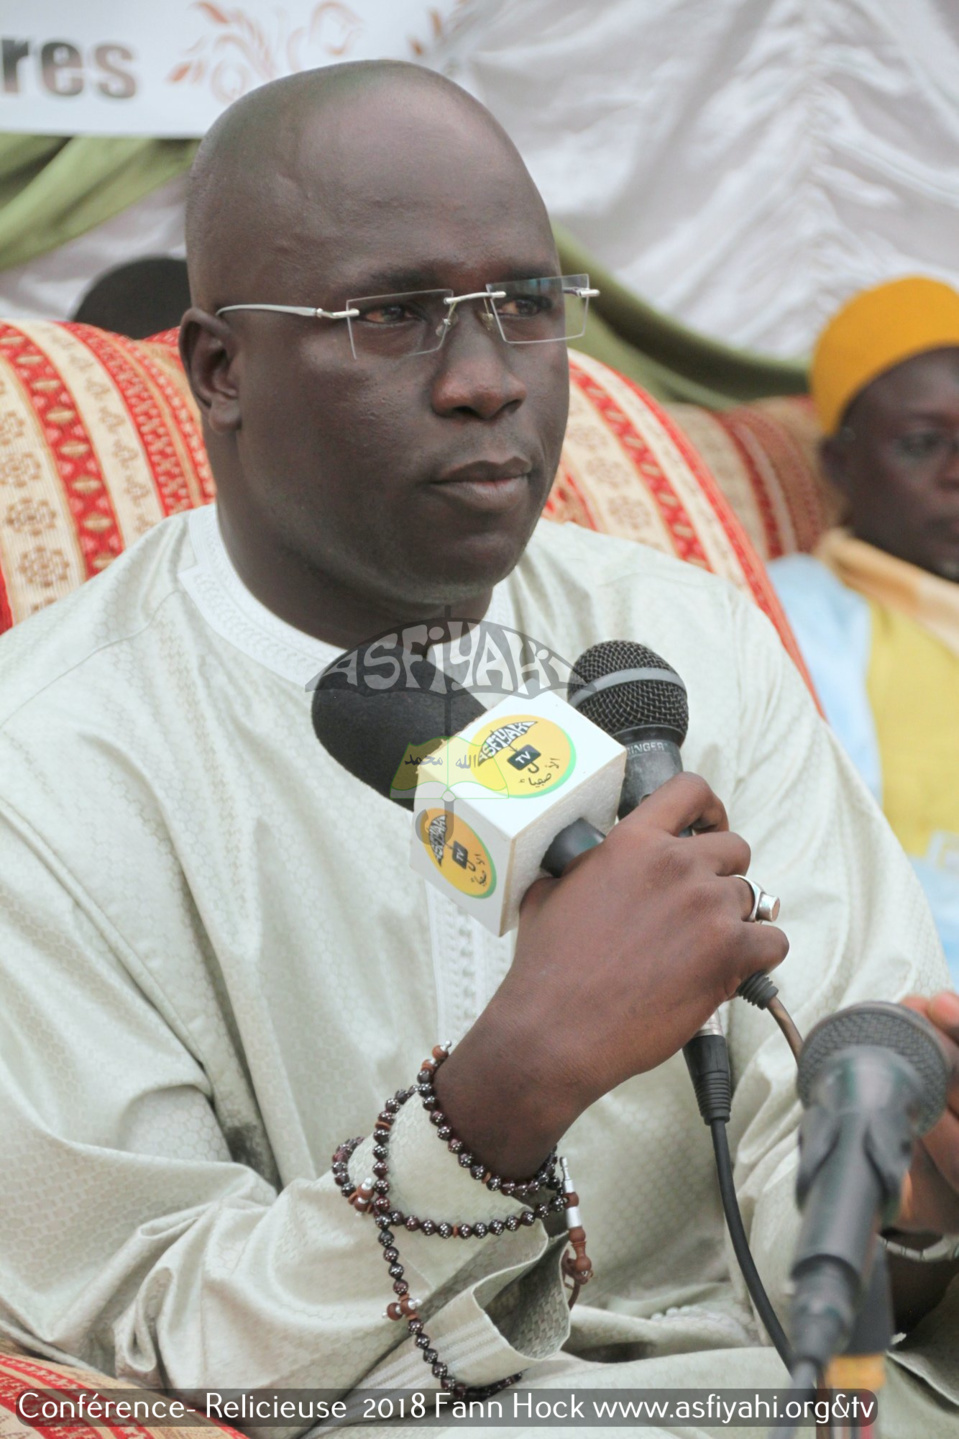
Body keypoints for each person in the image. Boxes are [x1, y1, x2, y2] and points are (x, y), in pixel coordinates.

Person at [0, 63, 958, 1438]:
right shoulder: (43, 766)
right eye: (389, 315)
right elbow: (160, 1326)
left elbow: (828, 1113)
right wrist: (492, 1103)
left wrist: (900, 1202)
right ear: (219, 368)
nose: (481, 381)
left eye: (521, 304)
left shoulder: (679, 637)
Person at [771, 277, 959, 981]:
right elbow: (835, 870)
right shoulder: (803, 614)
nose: (956, 472)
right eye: (921, 444)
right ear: (841, 464)